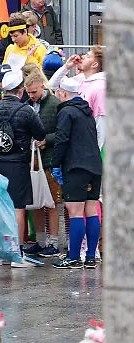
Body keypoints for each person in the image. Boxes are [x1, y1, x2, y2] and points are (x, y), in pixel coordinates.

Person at [0, 69, 46, 268]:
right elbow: (40, 133)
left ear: (3, 90)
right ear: (21, 90)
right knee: (17, 207)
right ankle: (17, 253)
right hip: (19, 164)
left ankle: (0, 252)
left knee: (0, 208)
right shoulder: (26, 111)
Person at [52, 76, 104, 270]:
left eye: (58, 93)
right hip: (94, 166)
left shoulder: (66, 112)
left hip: (75, 166)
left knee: (75, 213)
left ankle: (73, 257)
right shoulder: (87, 112)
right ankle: (90, 256)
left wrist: (56, 163)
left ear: (64, 93)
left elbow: (62, 139)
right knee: (91, 211)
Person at [23, 69, 62, 258]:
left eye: (34, 92)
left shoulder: (54, 104)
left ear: (42, 87)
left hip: (49, 159)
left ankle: (53, 242)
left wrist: (47, 140)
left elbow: (63, 132)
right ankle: (40, 241)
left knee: (51, 202)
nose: (31, 96)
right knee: (37, 201)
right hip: (33, 160)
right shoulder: (28, 104)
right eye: (28, 92)